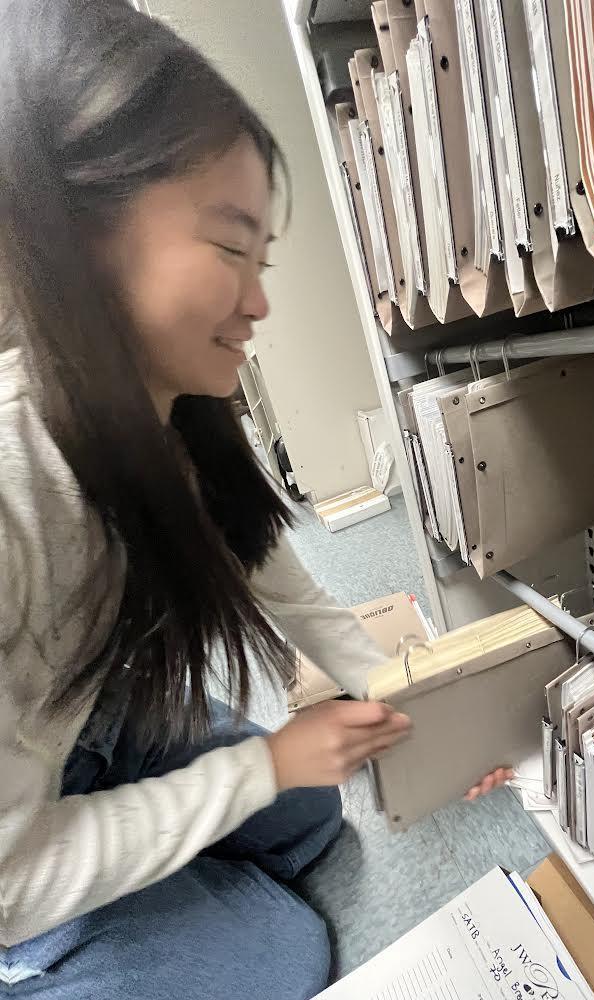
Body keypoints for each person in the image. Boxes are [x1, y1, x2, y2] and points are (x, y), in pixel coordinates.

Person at [0, 2, 512, 998]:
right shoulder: (16, 489)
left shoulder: (181, 421)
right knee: (278, 953)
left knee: (312, 818)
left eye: (261, 261)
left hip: (85, 727)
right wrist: (259, 768)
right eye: (230, 250)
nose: (261, 302)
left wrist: (421, 705)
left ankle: (135, 861)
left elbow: (293, 594)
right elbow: (11, 877)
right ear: (84, 238)